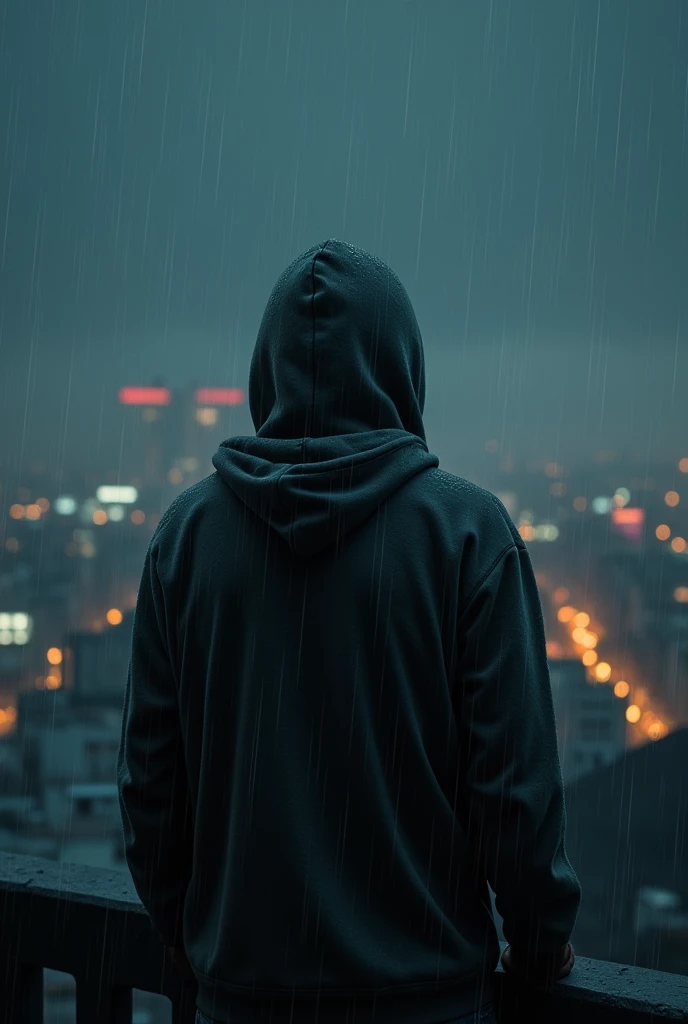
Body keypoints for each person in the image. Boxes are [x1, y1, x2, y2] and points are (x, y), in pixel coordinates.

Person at [117, 240, 581, 1024]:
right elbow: (515, 797)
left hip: (243, 1002)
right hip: (429, 1004)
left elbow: (148, 791)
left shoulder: (187, 540)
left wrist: (191, 934)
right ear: (402, 369)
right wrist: (541, 945)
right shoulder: (465, 536)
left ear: (265, 372)